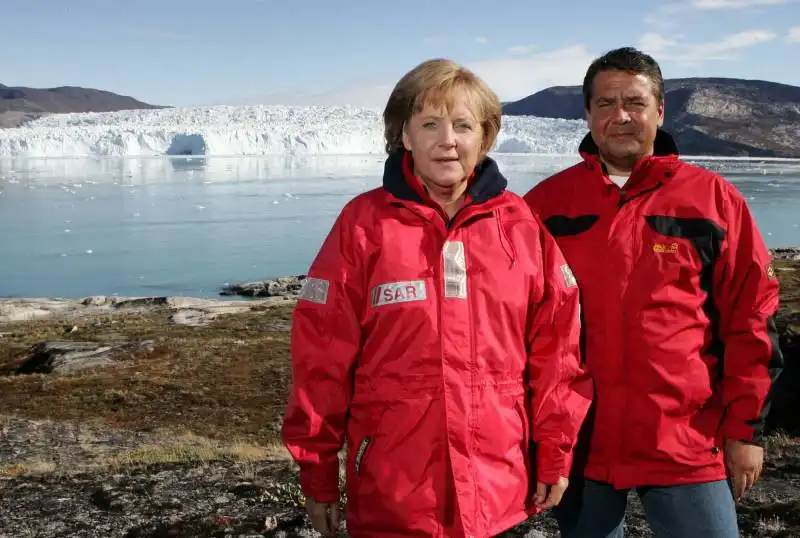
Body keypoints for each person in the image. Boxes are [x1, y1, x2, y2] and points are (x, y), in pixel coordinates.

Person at [281, 58, 594, 538]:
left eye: (463, 125)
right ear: (404, 135)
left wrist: (554, 451)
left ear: (484, 139)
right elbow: (321, 357)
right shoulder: (364, 224)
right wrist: (317, 473)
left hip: (497, 483)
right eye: (429, 124)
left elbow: (557, 354)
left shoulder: (519, 226)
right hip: (394, 488)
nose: (447, 140)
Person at [524, 47, 784, 538]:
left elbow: (751, 320)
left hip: (686, 439)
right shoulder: (545, 205)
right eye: (605, 103)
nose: (621, 116)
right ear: (587, 113)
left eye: (635, 103)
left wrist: (746, 431)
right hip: (582, 441)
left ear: (660, 111)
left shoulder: (713, 199)